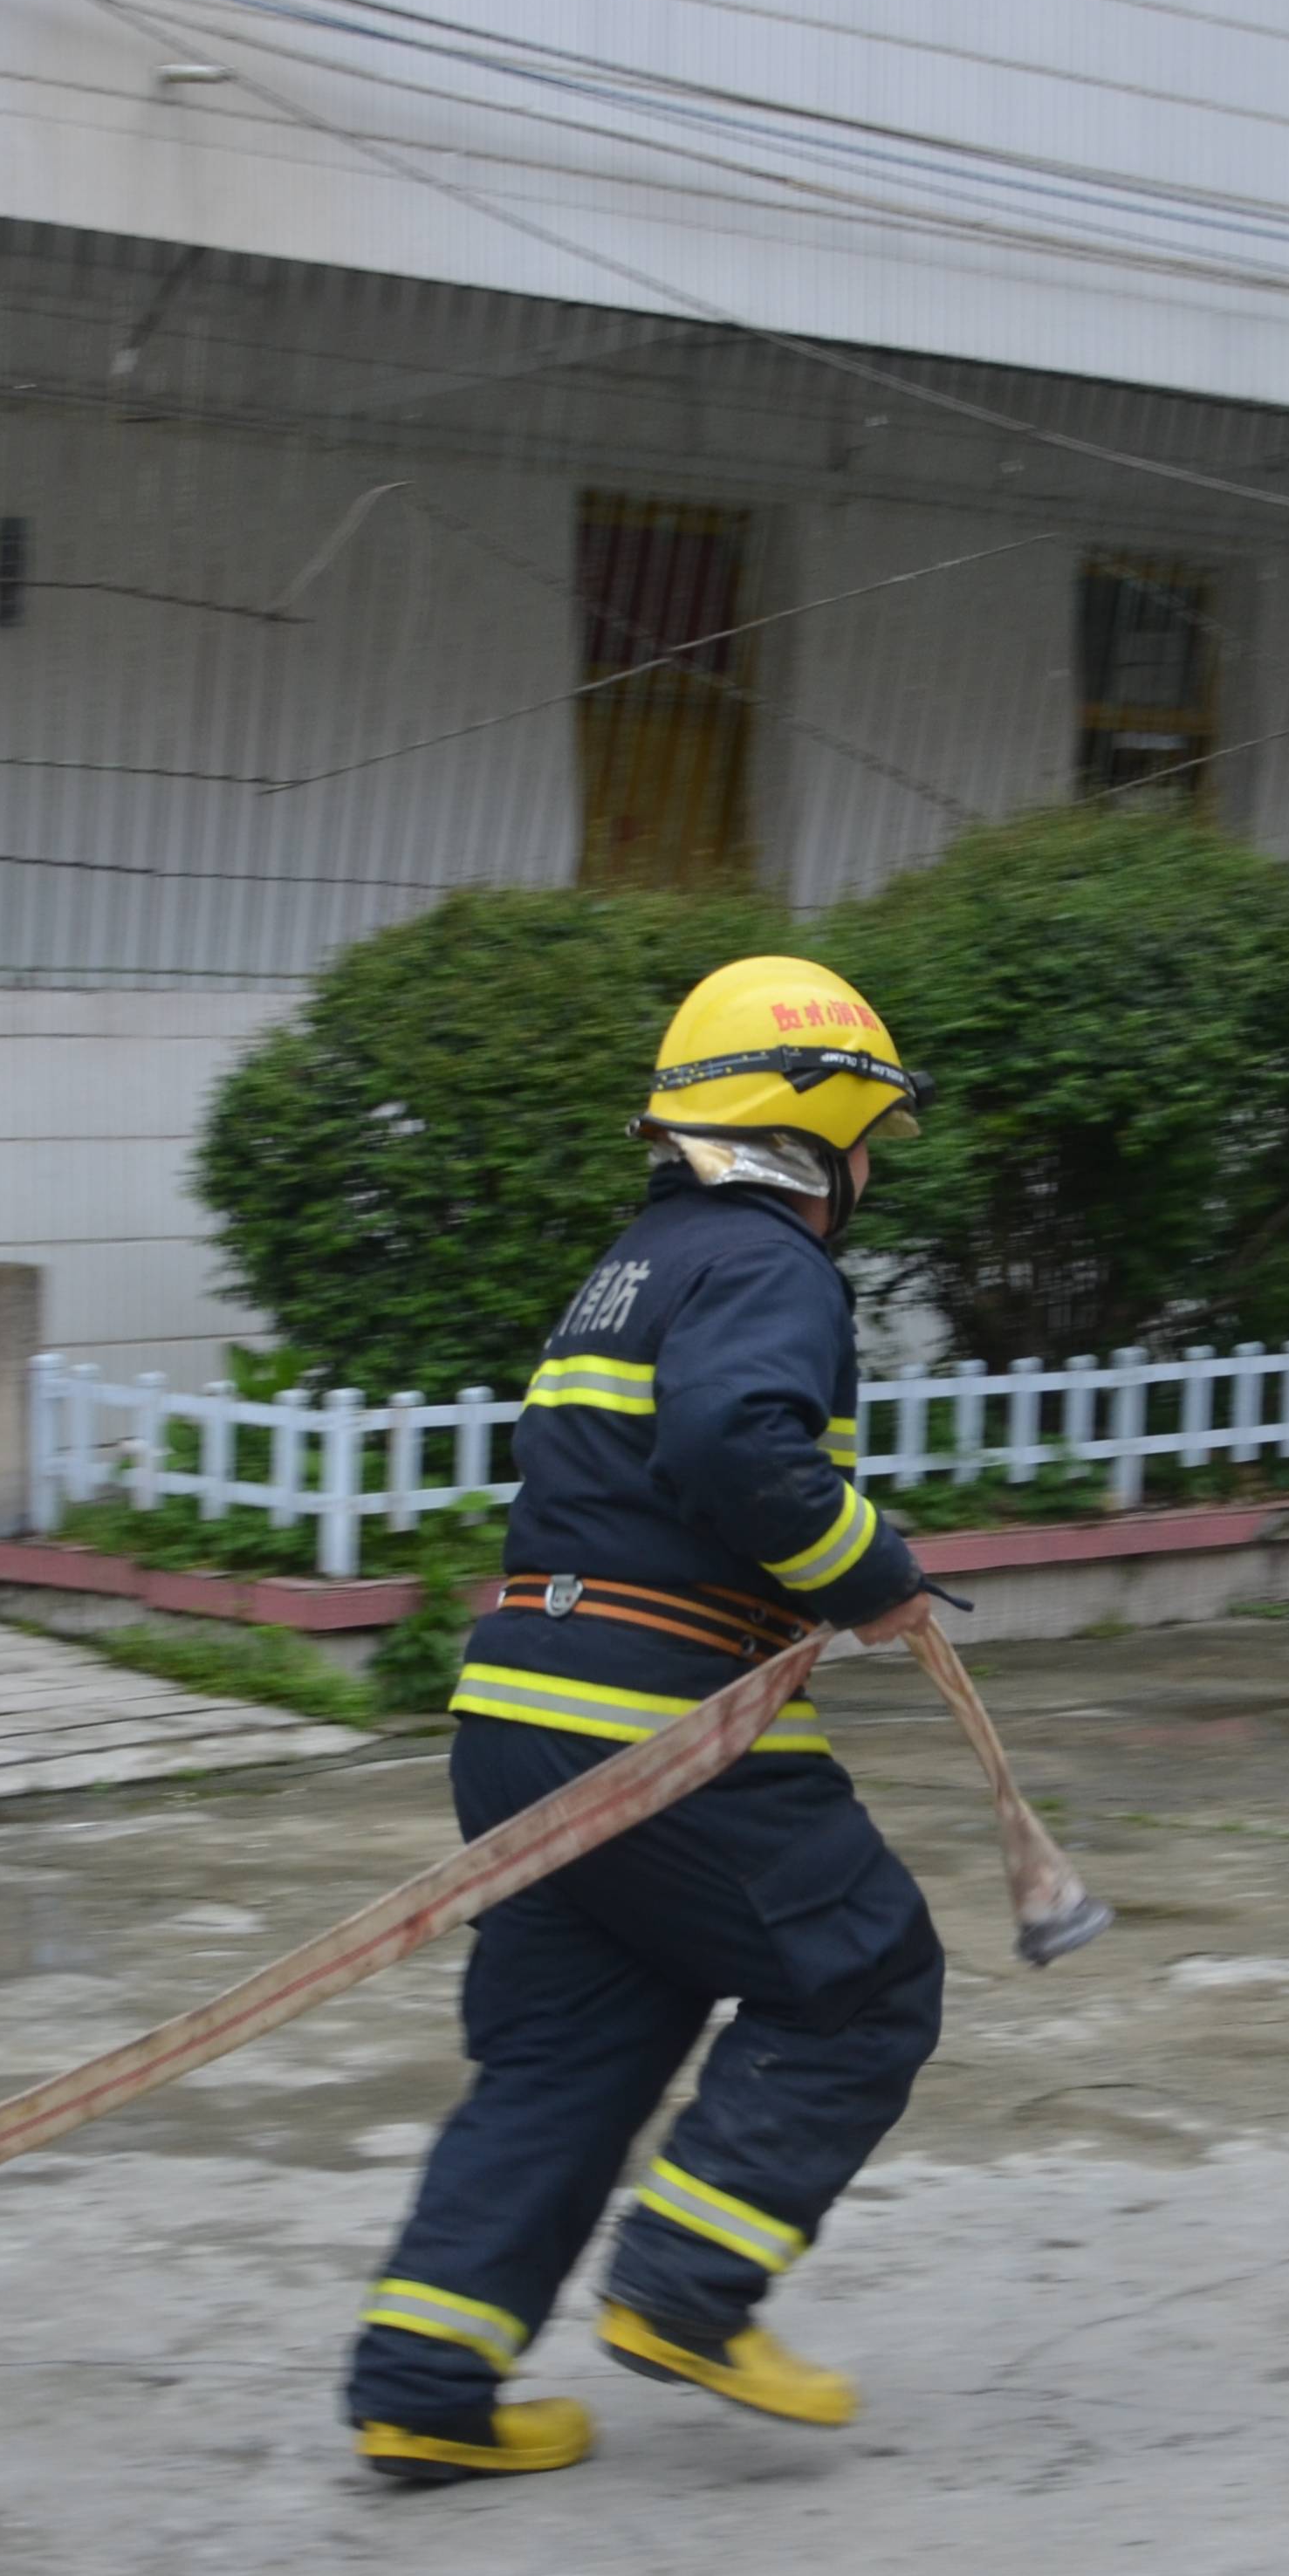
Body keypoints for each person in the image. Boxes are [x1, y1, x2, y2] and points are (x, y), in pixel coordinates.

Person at [343, 954, 946, 2485]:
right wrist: (876, 1578)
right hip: (663, 1720)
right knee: (865, 1976)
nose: (869, 1176)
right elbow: (738, 1447)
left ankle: (426, 2379)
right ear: (810, 1133)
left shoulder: (635, 1264)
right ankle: (687, 2286)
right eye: (866, 1141)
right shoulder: (768, 1262)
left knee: (571, 2049)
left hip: (516, 1710)